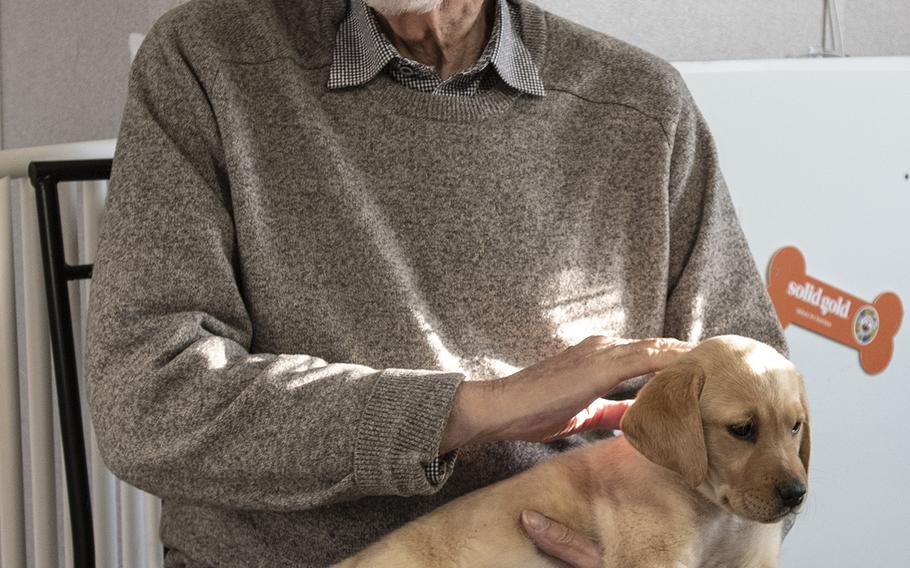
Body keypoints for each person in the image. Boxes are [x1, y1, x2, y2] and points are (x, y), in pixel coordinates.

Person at [85, 0, 789, 566]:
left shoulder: (640, 106)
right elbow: (148, 400)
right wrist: (476, 410)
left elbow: (761, 422)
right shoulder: (206, 62)